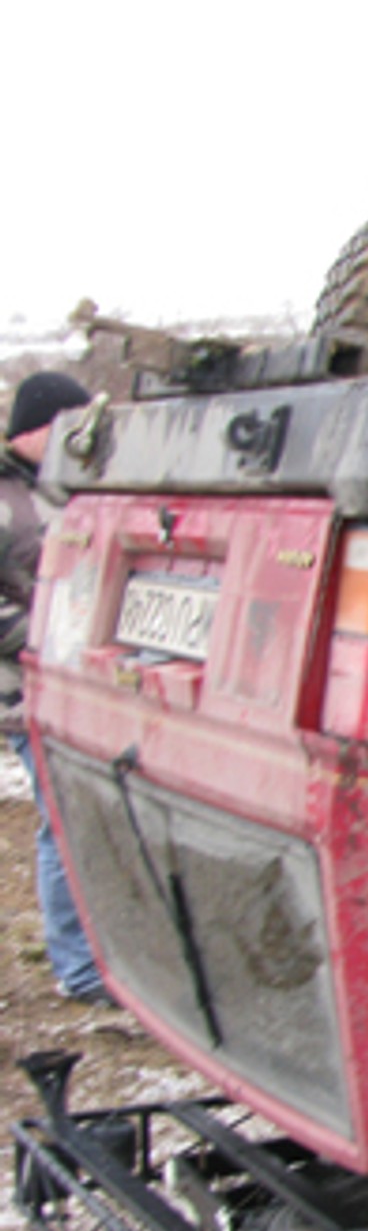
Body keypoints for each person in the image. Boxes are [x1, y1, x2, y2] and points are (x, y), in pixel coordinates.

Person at [2, 370, 108, 1005]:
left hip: (67, 684)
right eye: (67, 424)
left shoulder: (53, 489)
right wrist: (45, 636)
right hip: (22, 693)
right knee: (62, 822)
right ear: (41, 427)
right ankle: (78, 967)